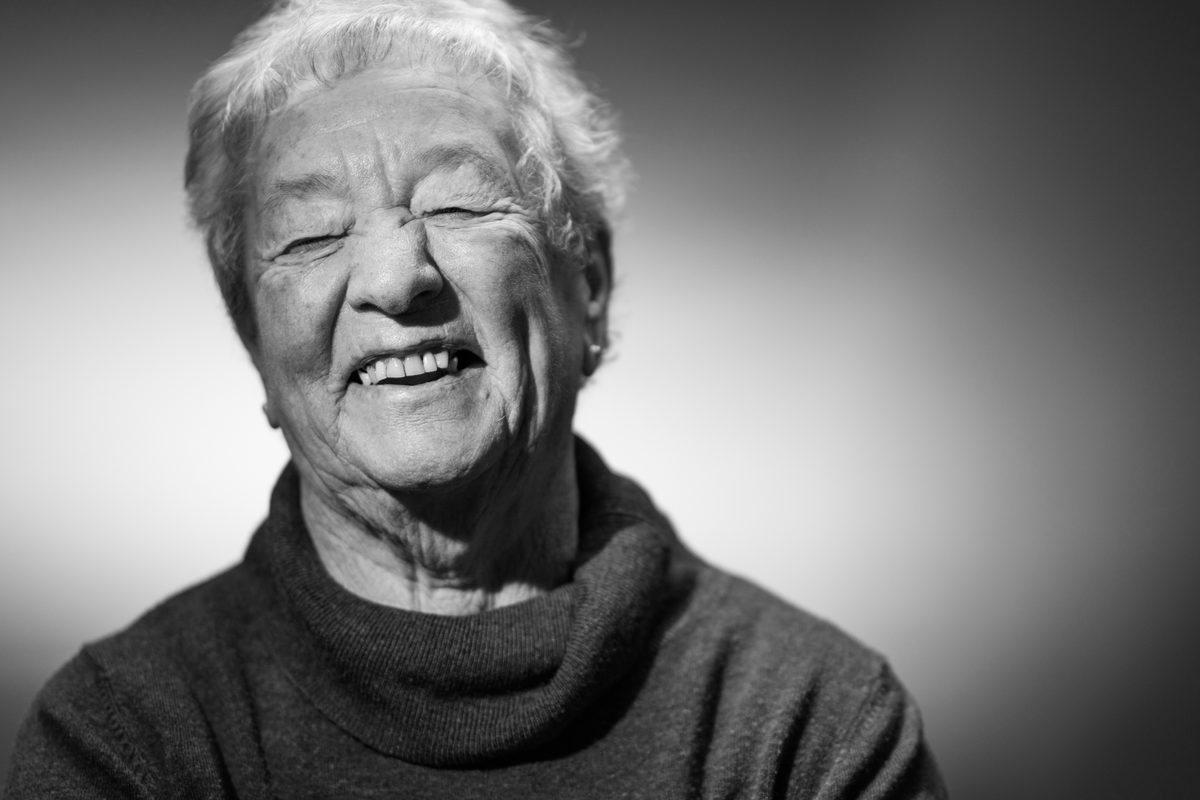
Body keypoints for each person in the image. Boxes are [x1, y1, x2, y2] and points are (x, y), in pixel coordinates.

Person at [4, 0, 947, 796]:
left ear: (592, 287)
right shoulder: (126, 738)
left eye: (457, 204)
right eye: (310, 236)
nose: (394, 277)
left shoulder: (808, 726)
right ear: (256, 347)